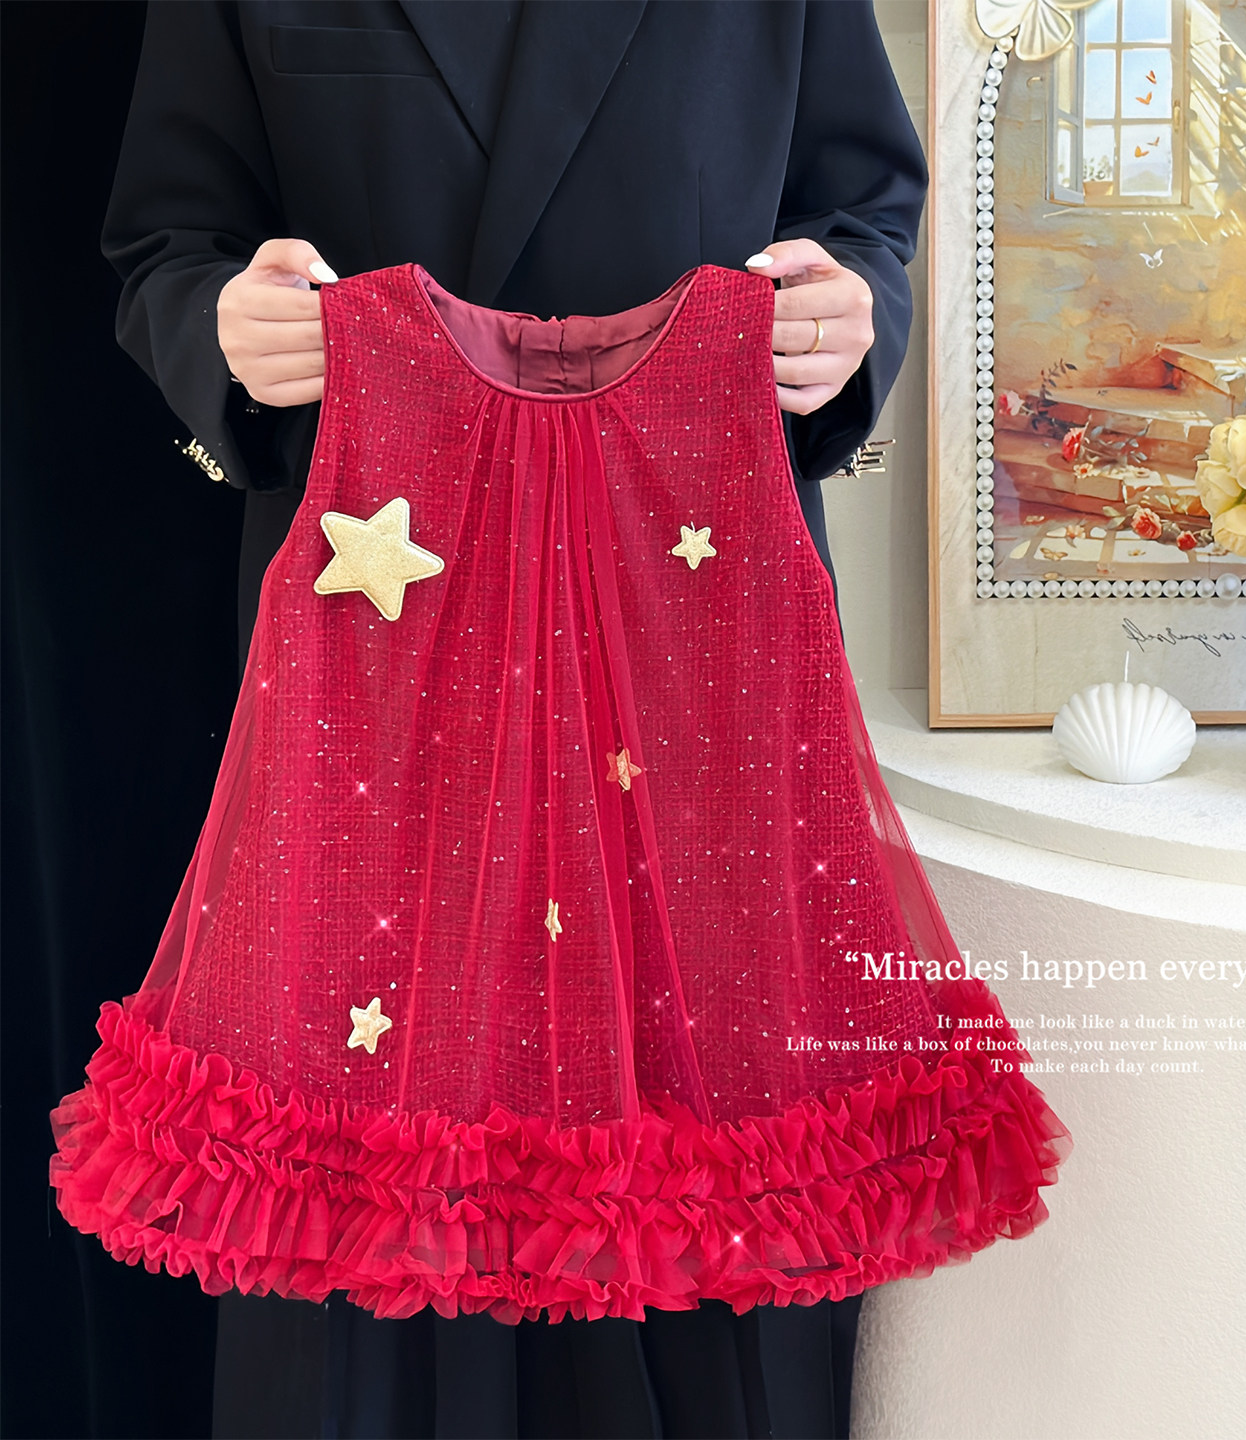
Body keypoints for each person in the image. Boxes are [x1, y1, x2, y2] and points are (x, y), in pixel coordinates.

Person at [97, 2, 927, 1435]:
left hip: (689, 613)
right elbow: (164, 245)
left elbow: (864, 211)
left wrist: (852, 312)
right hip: (379, 619)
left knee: (709, 1162)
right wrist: (215, 324)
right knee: (360, 1178)